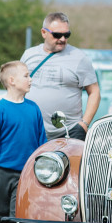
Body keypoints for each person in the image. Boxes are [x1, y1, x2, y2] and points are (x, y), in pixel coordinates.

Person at [0, 60, 47, 223]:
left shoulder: (34, 109)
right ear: (11, 81)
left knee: (18, 211)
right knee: (1, 210)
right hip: (1, 170)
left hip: (26, 172)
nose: (30, 79)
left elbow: (42, 142)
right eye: (26, 76)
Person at [20, 12, 99, 140]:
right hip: (31, 130)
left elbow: (94, 92)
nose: (62, 39)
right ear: (43, 33)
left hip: (68, 133)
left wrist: (84, 124)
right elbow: (17, 88)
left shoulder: (80, 58)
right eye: (57, 35)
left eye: (66, 35)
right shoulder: (29, 55)